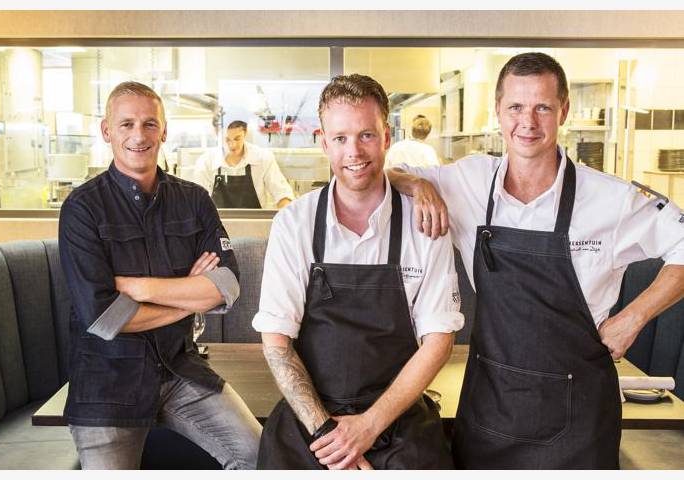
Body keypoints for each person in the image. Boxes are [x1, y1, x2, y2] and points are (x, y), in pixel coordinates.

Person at [388, 52, 684, 469]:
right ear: (498, 110)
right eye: (515, 107)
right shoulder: (469, 180)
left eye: (542, 107)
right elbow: (384, 174)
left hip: (579, 419)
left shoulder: (611, 198)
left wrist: (633, 318)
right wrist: (418, 185)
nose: (527, 122)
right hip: (490, 409)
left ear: (563, 111)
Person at [252, 74, 463, 470]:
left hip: (398, 419)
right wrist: (328, 435)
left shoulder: (424, 222)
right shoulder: (294, 223)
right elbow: (277, 342)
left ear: (386, 137)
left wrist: (368, 426)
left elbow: (438, 340)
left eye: (366, 135)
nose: (354, 151)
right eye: (340, 138)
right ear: (323, 142)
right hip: (310, 420)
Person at [58, 81, 262, 469]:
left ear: (164, 131)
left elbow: (227, 286)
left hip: (181, 371)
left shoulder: (194, 200)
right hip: (106, 385)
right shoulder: (82, 209)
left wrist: (138, 288)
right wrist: (190, 297)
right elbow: (103, 318)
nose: (139, 135)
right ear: (107, 131)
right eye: (127, 124)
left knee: (260, 457)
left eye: (150, 124)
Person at [191, 120, 294, 208]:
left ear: (245, 133)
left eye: (237, 138)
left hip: (255, 223)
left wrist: (286, 217)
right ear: (217, 135)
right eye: (227, 140)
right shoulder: (206, 162)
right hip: (216, 224)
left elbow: (282, 195)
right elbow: (197, 202)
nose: (233, 145)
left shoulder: (262, 158)